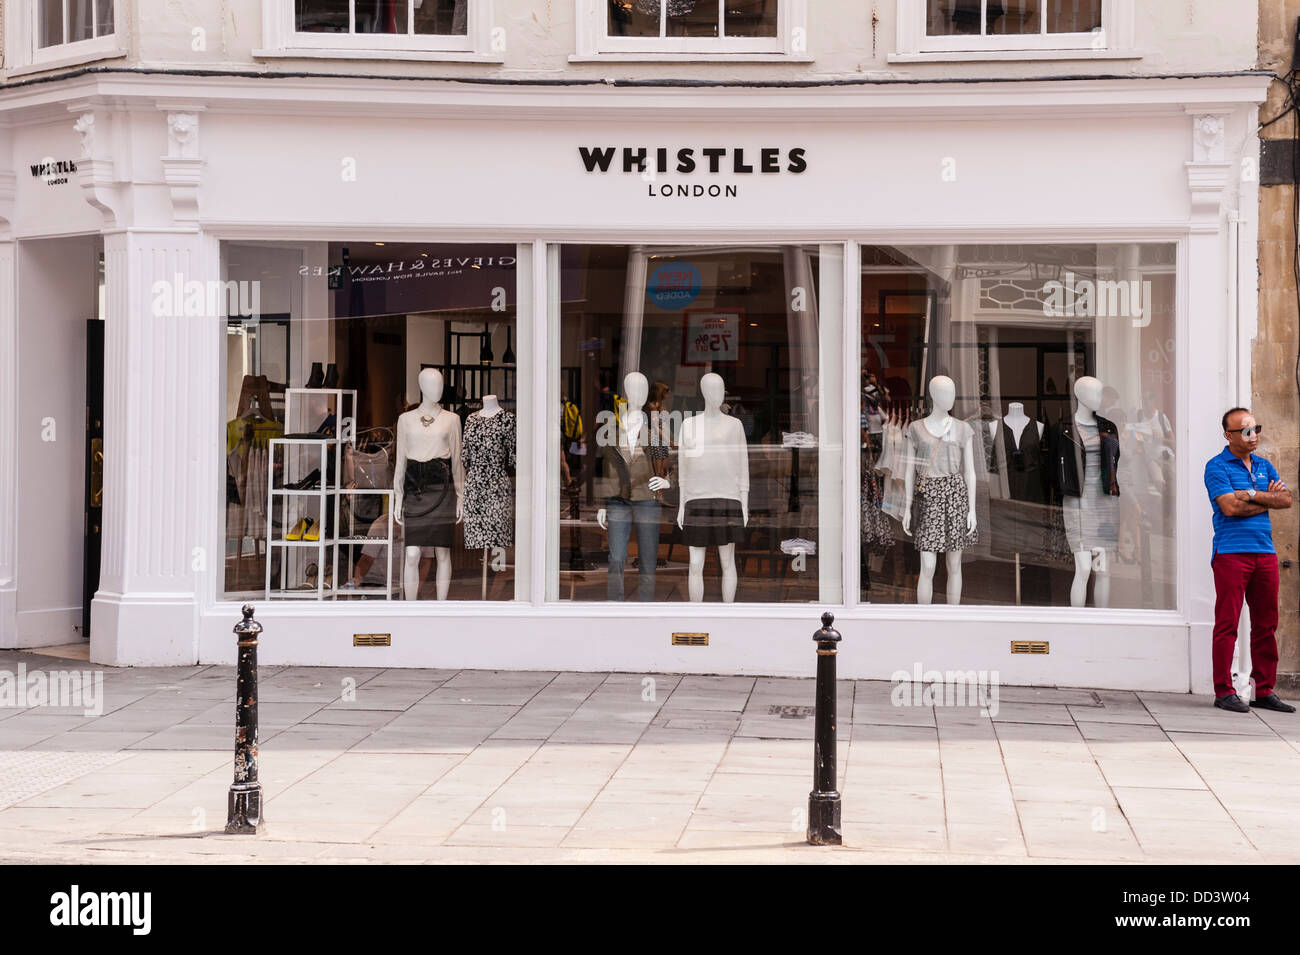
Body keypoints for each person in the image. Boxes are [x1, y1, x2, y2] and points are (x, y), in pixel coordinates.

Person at [1203, 408, 1295, 713]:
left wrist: (1250, 493)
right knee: (1227, 624)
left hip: (1265, 553)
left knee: (1266, 623)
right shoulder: (1216, 467)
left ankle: (1264, 689)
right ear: (1228, 435)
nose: (1253, 435)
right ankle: (1223, 691)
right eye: (1245, 431)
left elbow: (1286, 500)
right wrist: (1263, 499)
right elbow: (1230, 508)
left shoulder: (1264, 465)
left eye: (1255, 428)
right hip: (1231, 553)